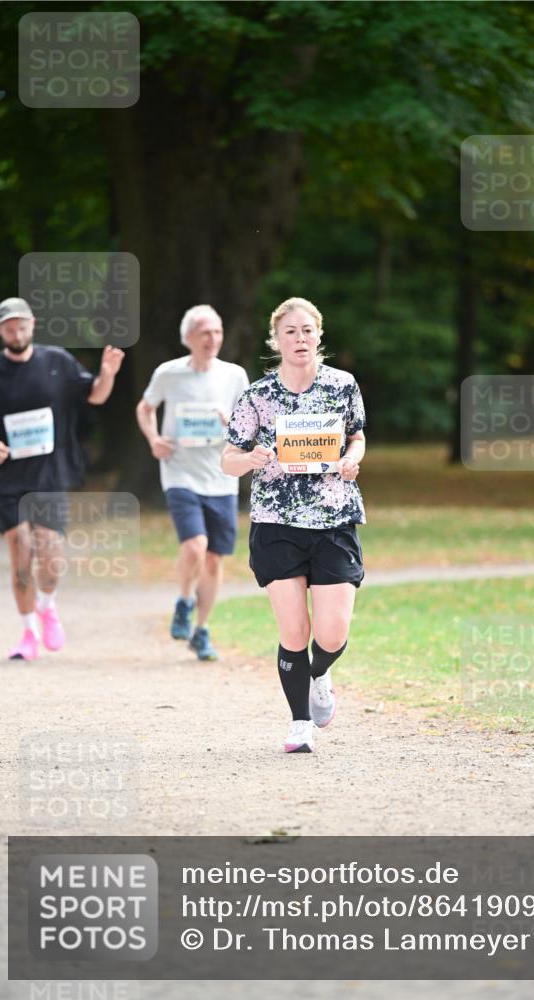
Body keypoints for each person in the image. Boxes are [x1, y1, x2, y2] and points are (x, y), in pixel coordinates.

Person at [221, 296, 366, 754]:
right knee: (294, 633)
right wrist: (250, 458)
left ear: (319, 335)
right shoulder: (257, 396)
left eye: (307, 330)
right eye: (290, 332)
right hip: (277, 522)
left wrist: (351, 460)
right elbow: (228, 460)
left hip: (333, 519)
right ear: (276, 340)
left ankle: (320, 673)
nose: (299, 339)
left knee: (332, 634)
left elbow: (357, 435)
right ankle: (300, 722)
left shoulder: (342, 386)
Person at [0, 297, 124, 661]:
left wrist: (108, 373)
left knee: (49, 555)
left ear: (32, 324)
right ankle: (27, 633)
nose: (16, 332)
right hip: (7, 478)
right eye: (9, 326)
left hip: (50, 475)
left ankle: (47, 606)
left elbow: (95, 396)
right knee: (20, 551)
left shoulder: (57, 362)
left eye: (22, 325)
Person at [136, 305, 248, 661]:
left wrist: (231, 422)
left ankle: (201, 631)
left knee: (214, 561)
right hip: (179, 472)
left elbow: (248, 427)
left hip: (221, 476)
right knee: (196, 545)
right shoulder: (169, 374)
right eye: (204, 333)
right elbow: (144, 407)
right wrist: (154, 439)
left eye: (217, 332)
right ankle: (184, 600)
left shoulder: (234, 376)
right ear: (188, 338)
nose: (212, 339)